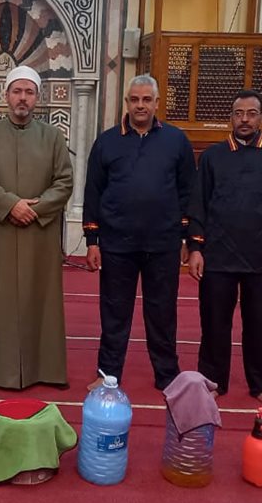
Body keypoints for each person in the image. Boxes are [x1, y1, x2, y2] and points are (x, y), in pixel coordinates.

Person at [82, 74, 194, 391]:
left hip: (163, 243)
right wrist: (92, 241)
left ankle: (167, 374)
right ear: (126, 103)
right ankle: (108, 373)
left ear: (157, 103)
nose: (140, 105)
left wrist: (186, 236)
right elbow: (93, 192)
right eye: (134, 99)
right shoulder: (106, 142)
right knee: (114, 313)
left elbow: (188, 190)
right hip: (117, 244)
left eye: (146, 99)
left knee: (162, 313)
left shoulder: (176, 140)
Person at [187, 90, 262, 407]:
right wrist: (195, 248)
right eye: (239, 114)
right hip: (218, 256)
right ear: (231, 119)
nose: (245, 119)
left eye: (251, 113)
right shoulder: (212, 157)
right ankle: (213, 380)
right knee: (214, 323)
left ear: (261, 118)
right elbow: (198, 204)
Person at [0, 65, 73, 389]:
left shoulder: (53, 137)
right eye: (17, 91)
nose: (22, 98)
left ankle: (44, 369)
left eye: (28, 92)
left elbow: (64, 182)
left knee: (41, 299)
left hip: (39, 233)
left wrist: (34, 210)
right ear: (6, 96)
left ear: (37, 97)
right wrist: (11, 205)